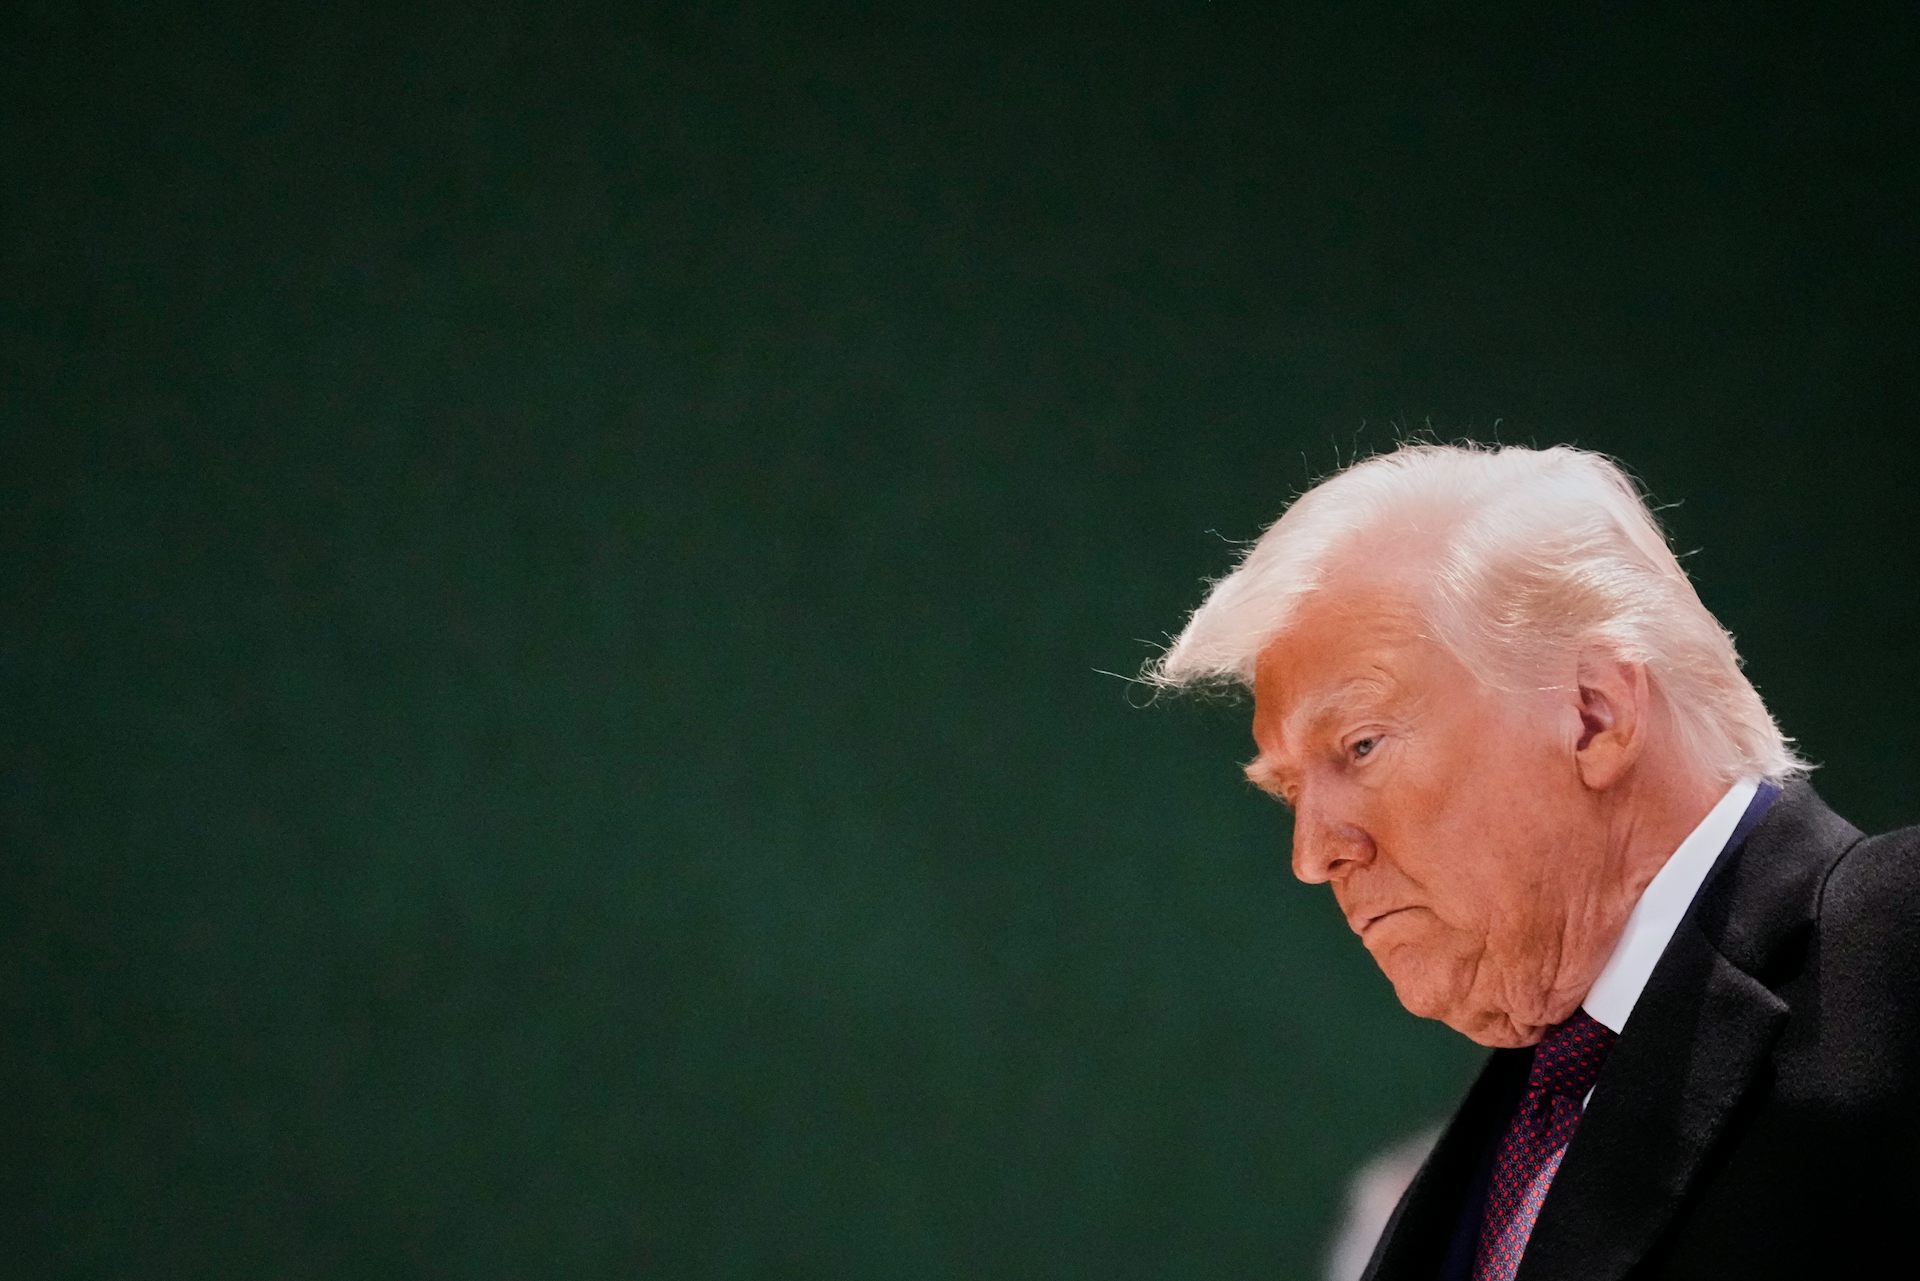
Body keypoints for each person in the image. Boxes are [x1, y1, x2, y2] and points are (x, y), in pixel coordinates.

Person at [1144, 442, 1920, 1280]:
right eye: (1290, 789)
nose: (1314, 853)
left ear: (1595, 715)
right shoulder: (1522, 1120)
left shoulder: (1898, 948)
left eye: (1361, 745)